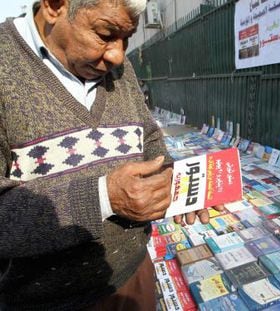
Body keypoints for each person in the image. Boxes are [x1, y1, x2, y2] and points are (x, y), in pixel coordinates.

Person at [0, 0, 219, 309]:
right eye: (105, 33)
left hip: (133, 278)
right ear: (53, 6)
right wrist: (104, 197)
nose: (118, 56)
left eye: (127, 38)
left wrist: (173, 179)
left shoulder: (118, 67)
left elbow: (149, 134)